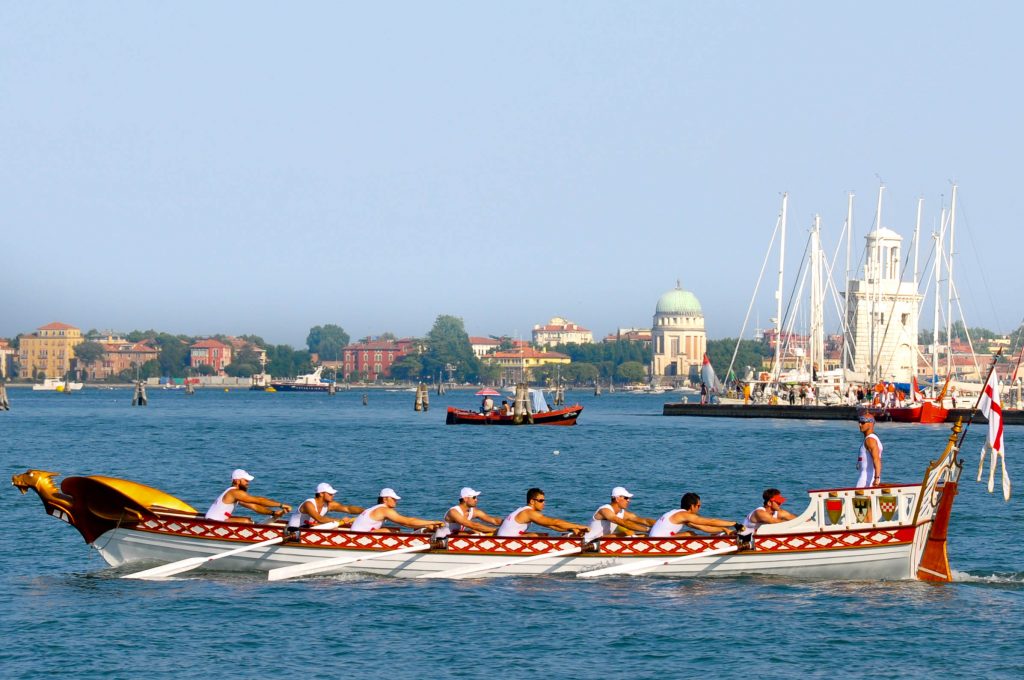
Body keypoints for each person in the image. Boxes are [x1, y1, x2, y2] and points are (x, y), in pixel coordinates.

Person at [205, 469, 292, 523]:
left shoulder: (235, 495)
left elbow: (254, 506)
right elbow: (258, 500)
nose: (248, 483)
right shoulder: (234, 492)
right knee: (246, 522)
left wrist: (273, 513)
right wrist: (281, 505)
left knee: (248, 520)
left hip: (216, 521)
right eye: (246, 480)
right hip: (212, 523)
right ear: (237, 481)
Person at [496, 487, 588, 537]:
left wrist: (571, 529)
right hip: (506, 544)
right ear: (532, 501)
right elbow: (555, 522)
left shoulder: (523, 510)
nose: (544, 503)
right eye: (541, 501)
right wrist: (578, 526)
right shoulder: (528, 513)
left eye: (544, 500)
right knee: (537, 536)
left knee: (541, 535)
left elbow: (551, 526)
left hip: (506, 540)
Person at [349, 488, 444, 533]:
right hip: (359, 538)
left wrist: (426, 525)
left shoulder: (374, 508)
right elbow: (408, 522)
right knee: (390, 531)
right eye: (393, 498)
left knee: (395, 529)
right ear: (385, 499)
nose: (396, 500)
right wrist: (433, 522)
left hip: (356, 536)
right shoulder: (384, 510)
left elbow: (404, 524)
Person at [648, 492, 742, 537]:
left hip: (655, 540)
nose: (699, 508)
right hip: (658, 543)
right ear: (692, 506)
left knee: (691, 533)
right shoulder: (684, 515)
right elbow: (710, 521)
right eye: (698, 505)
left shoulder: (678, 514)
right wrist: (733, 524)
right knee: (689, 534)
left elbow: (703, 527)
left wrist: (725, 529)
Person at [287, 482, 364, 530]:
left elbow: (348, 509)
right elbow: (320, 519)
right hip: (294, 530)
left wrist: (365, 511)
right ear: (321, 493)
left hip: (308, 528)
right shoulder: (309, 504)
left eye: (333, 493)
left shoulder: (329, 505)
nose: (333, 495)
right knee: (334, 526)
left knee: (334, 526)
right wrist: (341, 520)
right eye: (330, 494)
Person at [435, 487, 503, 538]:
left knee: (475, 532)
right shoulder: (453, 512)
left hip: (455, 537)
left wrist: (509, 522)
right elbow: (473, 525)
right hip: (442, 540)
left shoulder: (474, 511)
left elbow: (495, 521)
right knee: (475, 531)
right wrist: (495, 530)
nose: (476, 500)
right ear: (465, 499)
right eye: (474, 497)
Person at [588, 486, 655, 536]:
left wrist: (661, 524)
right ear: (617, 499)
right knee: (628, 533)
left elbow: (645, 521)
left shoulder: (622, 513)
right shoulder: (605, 510)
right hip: (590, 542)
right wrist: (648, 530)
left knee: (640, 535)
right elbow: (624, 523)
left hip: (604, 542)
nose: (629, 500)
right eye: (626, 498)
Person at [856, 413, 883, 488]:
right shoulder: (874, 438)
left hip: (866, 480)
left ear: (871, 423)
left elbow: (876, 460)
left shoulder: (870, 440)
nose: (860, 425)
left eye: (863, 422)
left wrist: (876, 478)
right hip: (869, 478)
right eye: (859, 422)